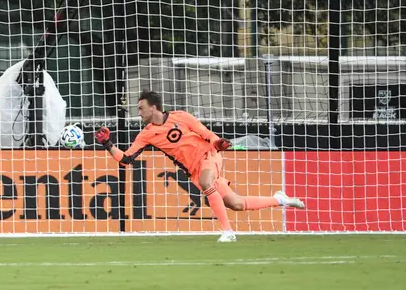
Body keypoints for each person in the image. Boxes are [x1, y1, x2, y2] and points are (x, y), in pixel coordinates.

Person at [95, 90, 305, 243]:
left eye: (141, 108)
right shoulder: (147, 133)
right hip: (193, 170)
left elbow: (206, 134)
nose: (138, 113)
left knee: (207, 182)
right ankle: (279, 199)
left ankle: (228, 232)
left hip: (209, 155)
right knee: (236, 203)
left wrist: (218, 142)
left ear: (153, 107)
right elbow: (126, 160)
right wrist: (108, 144)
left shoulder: (181, 117)